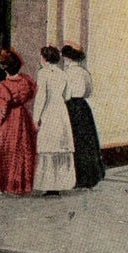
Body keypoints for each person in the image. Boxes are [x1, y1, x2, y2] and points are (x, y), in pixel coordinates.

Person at [0, 49, 37, 195]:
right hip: (23, 116)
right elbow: (31, 94)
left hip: (11, 119)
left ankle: (10, 185)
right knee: (25, 148)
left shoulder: (4, 86)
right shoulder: (26, 81)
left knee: (9, 149)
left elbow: (2, 110)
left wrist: (0, 125)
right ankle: (24, 184)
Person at [61, 43, 106, 188]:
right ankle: (90, 177)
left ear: (67, 58)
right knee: (86, 142)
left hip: (71, 108)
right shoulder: (84, 72)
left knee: (73, 141)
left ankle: (76, 177)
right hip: (83, 107)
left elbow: (66, 94)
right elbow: (89, 92)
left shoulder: (66, 73)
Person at [32, 45, 75, 194]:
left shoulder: (43, 73)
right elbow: (67, 95)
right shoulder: (63, 74)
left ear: (45, 58)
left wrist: (36, 118)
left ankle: (49, 185)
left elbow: (41, 97)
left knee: (48, 147)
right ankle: (59, 185)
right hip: (61, 111)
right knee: (59, 147)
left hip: (49, 111)